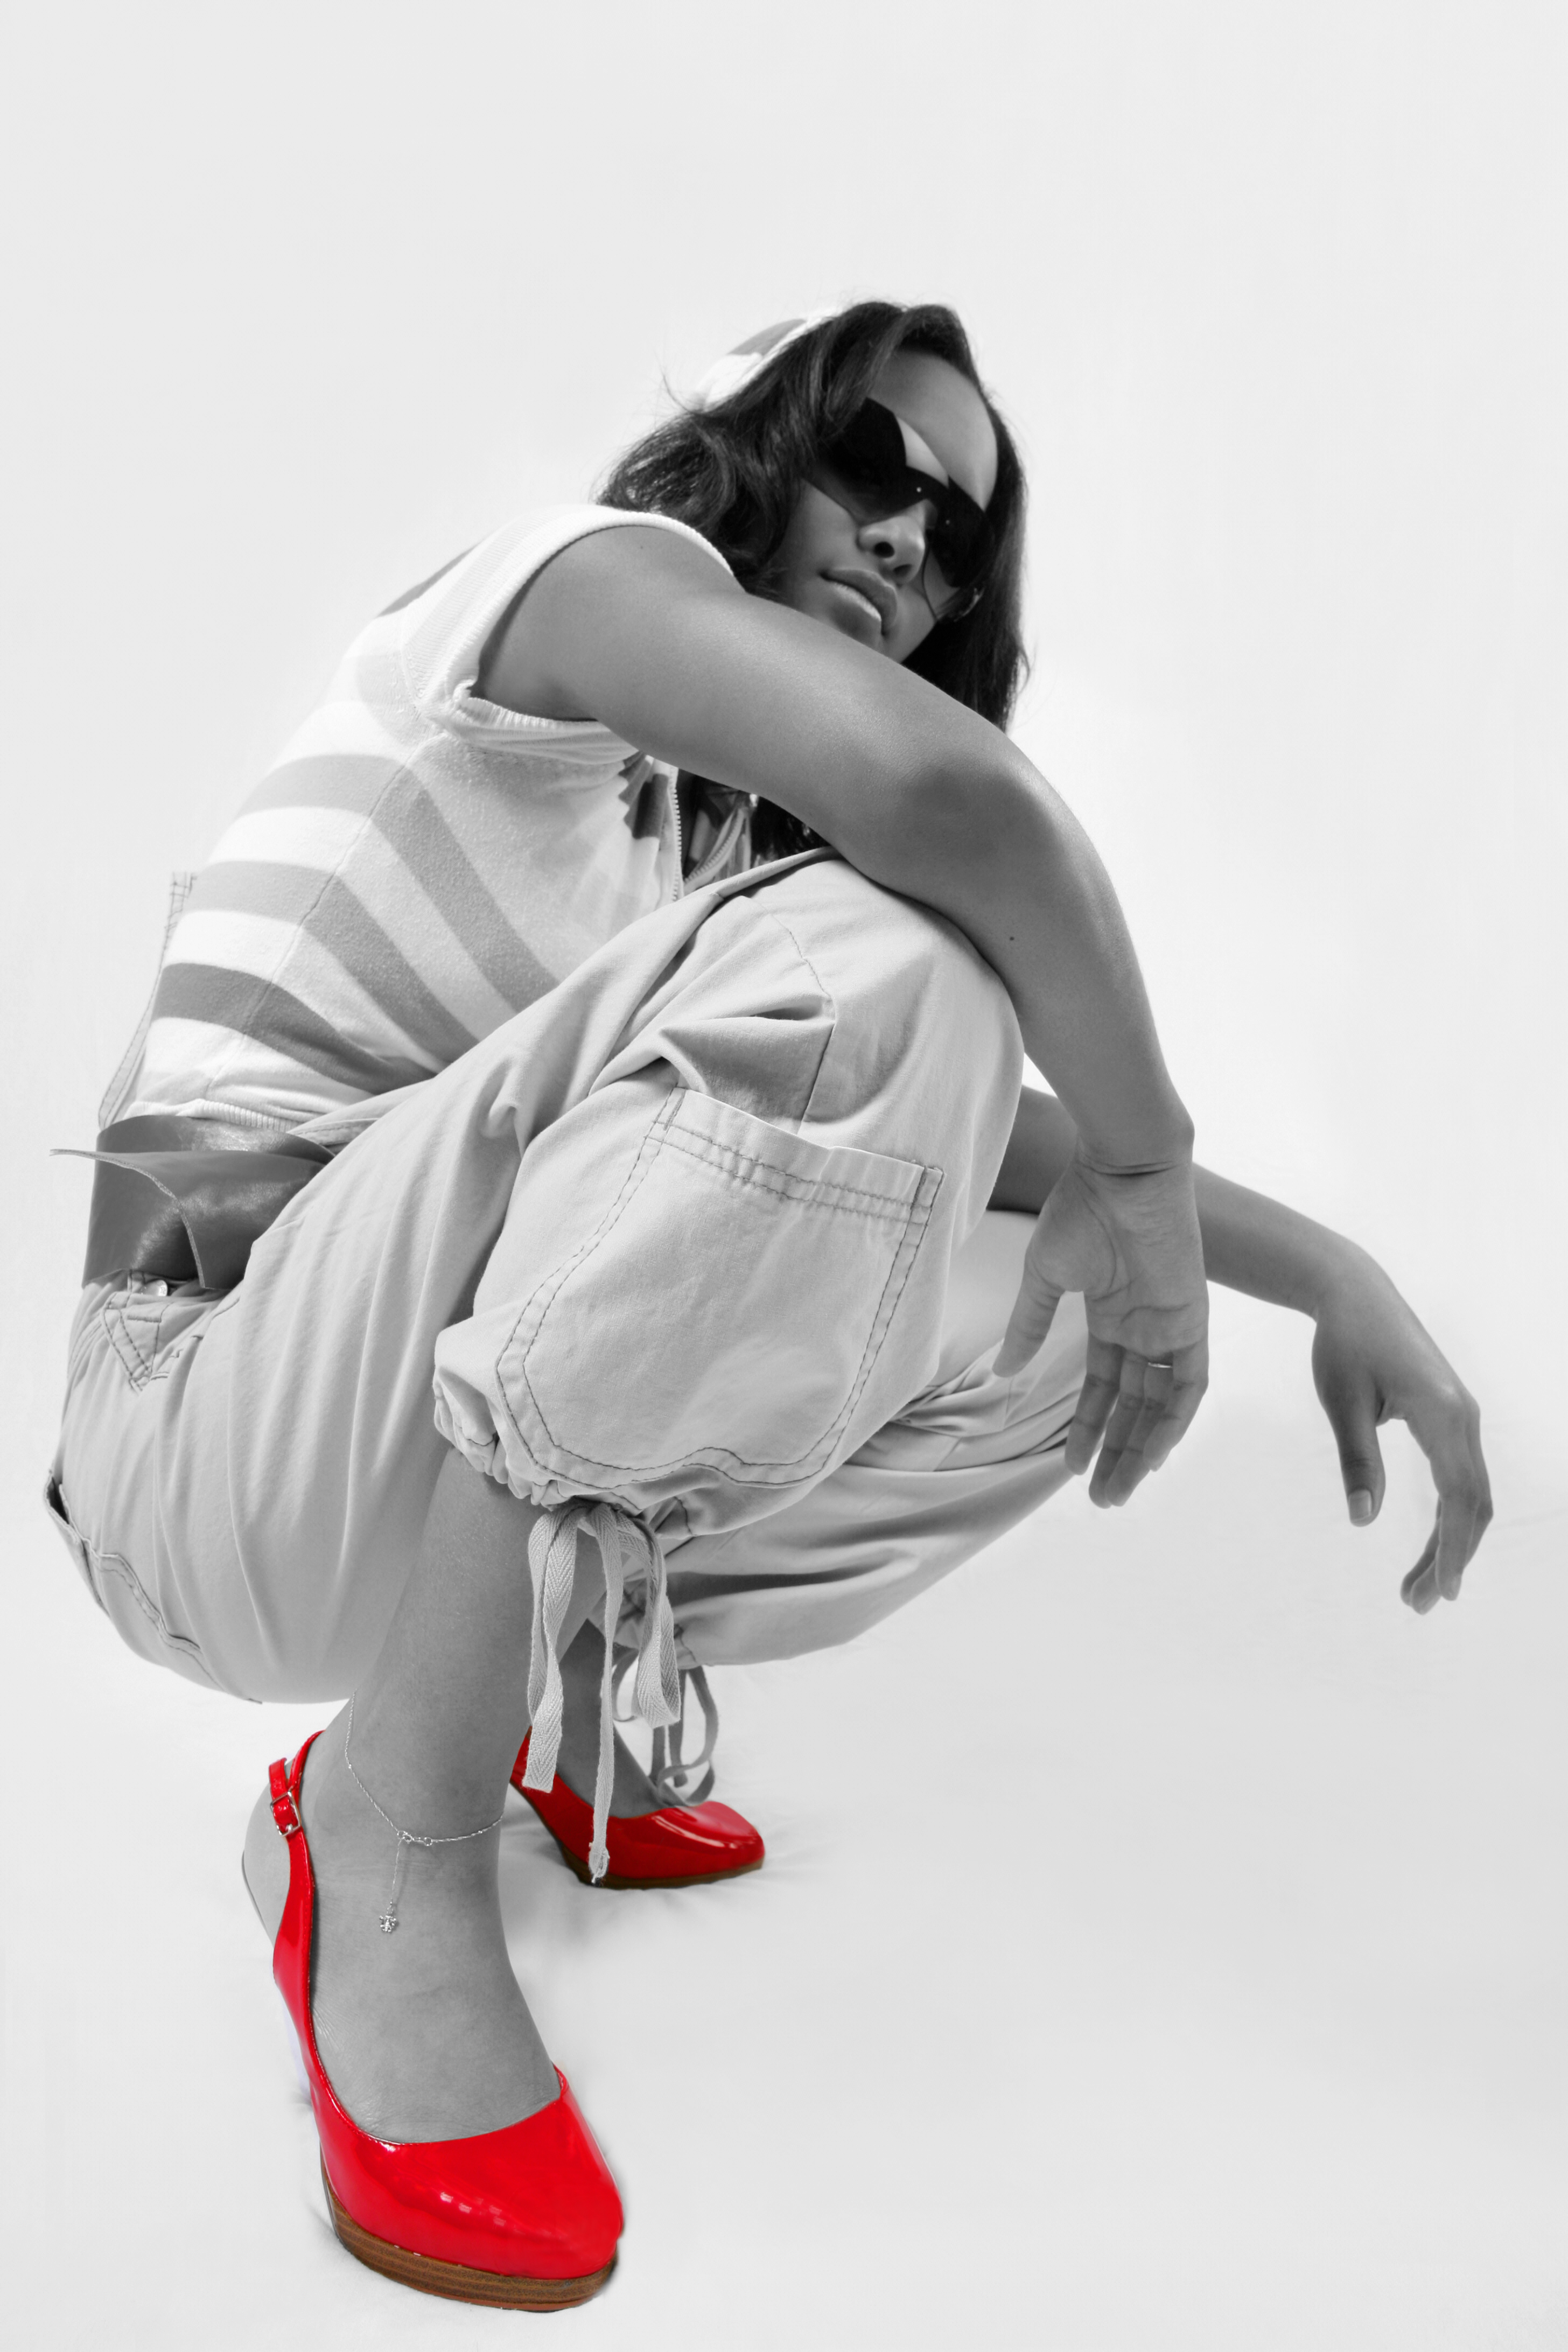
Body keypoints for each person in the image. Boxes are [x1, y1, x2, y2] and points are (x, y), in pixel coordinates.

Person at [47, 302, 1492, 2309]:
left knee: (1050, 1284)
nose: (912, 541)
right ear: (760, 442)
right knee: (910, 985)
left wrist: (1327, 1267)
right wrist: (1153, 1177)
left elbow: (997, 1139)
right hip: (194, 1426)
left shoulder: (708, 866)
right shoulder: (570, 591)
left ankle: (548, 1698)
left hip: (352, 1437)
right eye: (877, 465)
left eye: (959, 540)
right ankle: (384, 1828)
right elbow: (964, 819)